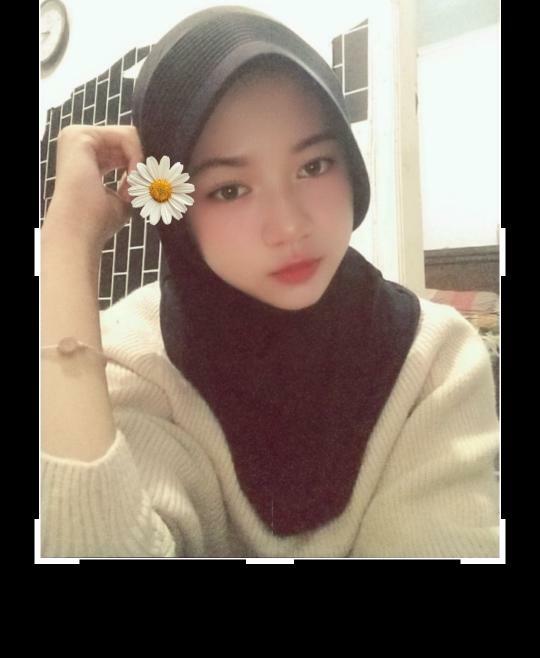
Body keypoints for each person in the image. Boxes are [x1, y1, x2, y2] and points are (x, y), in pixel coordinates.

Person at [40, 5, 500, 558]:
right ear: (177, 212)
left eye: (314, 166)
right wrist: (66, 243)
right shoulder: (133, 362)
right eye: (230, 189)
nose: (288, 227)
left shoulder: (436, 360)